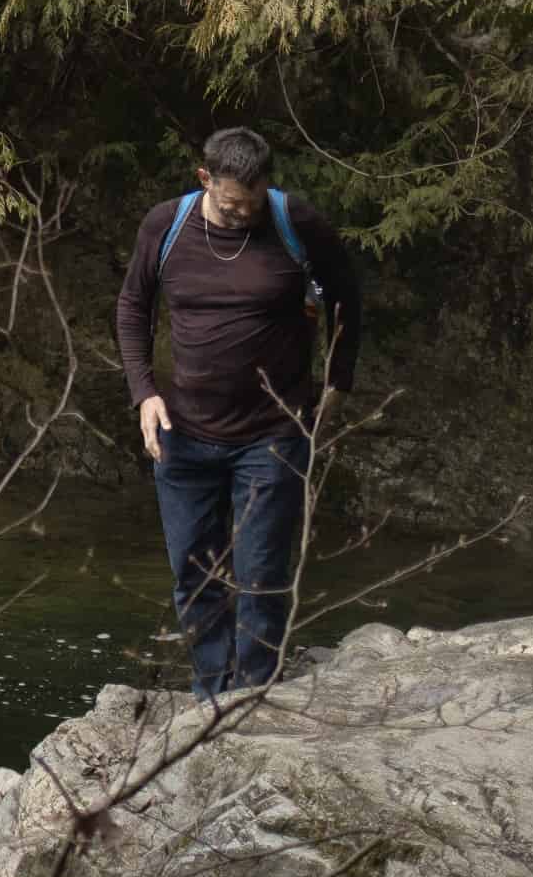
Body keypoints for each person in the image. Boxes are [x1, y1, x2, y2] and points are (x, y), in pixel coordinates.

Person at [114, 126, 361, 700]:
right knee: (193, 576)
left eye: (252, 203)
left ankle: (253, 697)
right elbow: (133, 306)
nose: (243, 213)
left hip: (272, 435)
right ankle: (210, 693)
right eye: (231, 204)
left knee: (262, 577)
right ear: (206, 180)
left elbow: (347, 295)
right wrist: (143, 391)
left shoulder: (295, 223)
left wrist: (338, 381)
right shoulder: (166, 226)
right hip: (181, 432)